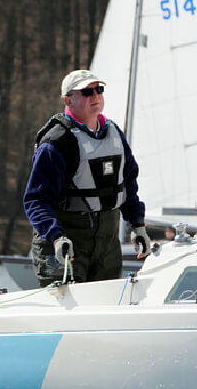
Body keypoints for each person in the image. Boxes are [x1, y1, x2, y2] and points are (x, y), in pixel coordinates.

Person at [23, 69, 149, 287]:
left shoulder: (114, 134)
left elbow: (128, 183)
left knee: (106, 310)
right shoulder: (56, 143)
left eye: (99, 90)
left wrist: (138, 225)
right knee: (67, 313)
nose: (95, 96)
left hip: (107, 245)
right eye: (87, 92)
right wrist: (56, 238)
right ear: (67, 100)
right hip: (66, 244)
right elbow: (36, 200)